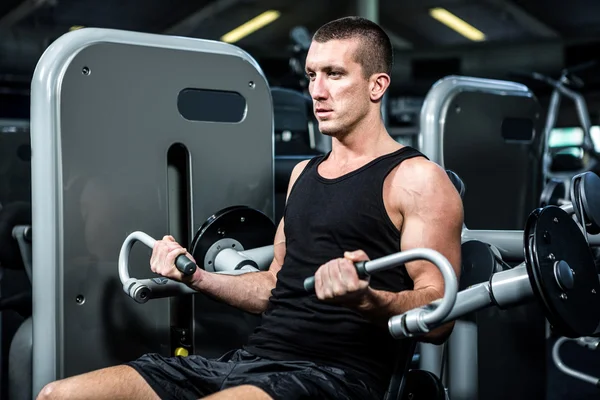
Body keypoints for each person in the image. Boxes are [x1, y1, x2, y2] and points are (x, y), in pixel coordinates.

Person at [37, 16, 463, 400]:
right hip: (248, 364)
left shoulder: (416, 179)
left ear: (377, 85)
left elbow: (440, 314)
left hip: (333, 377)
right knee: (58, 394)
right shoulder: (303, 175)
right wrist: (196, 275)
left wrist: (367, 299)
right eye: (312, 74)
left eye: (335, 74)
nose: (317, 91)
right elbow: (274, 286)